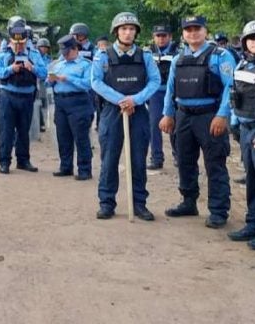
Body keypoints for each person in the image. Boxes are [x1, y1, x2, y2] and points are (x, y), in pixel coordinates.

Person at [159, 16, 235, 229]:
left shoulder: (221, 56)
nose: (193, 33)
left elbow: (231, 87)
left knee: (215, 163)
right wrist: (168, 114)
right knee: (184, 161)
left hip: (210, 115)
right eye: (188, 29)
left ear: (205, 31)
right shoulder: (178, 59)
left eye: (197, 29)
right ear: (183, 34)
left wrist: (222, 115)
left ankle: (219, 210)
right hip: (183, 115)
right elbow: (170, 89)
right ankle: (188, 201)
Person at [91, 12, 160, 220]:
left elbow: (154, 81)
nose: (128, 33)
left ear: (136, 32)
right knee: (109, 159)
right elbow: (96, 82)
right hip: (113, 111)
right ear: (116, 32)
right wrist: (121, 100)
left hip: (138, 111)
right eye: (123, 29)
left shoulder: (145, 56)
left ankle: (139, 203)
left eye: (131, 29)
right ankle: (106, 203)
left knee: (138, 160)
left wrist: (135, 100)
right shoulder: (103, 56)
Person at [0, 19, 46, 174]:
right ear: (10, 40)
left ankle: (23, 160)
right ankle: (4, 162)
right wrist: (10, 69)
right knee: (6, 130)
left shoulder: (33, 54)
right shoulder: (3, 53)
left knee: (24, 130)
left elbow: (44, 73)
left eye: (21, 43)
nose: (18, 45)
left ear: (26, 40)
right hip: (7, 96)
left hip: (27, 96)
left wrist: (32, 67)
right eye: (16, 43)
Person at [228, 20, 255, 250]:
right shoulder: (242, 65)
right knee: (252, 181)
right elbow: (235, 96)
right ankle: (253, 223)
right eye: (252, 38)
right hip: (245, 129)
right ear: (245, 42)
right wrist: (234, 123)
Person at [49, 35, 93, 180]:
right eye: (63, 52)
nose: (65, 55)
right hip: (60, 102)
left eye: (67, 52)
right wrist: (50, 80)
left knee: (81, 137)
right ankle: (65, 166)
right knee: (63, 136)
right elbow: (47, 83)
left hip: (79, 102)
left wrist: (68, 79)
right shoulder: (58, 64)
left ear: (75, 49)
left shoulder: (86, 65)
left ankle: (84, 169)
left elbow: (88, 84)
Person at [146, 25, 179, 170]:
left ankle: (178, 156)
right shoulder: (147, 53)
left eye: (164, 35)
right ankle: (156, 158)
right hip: (155, 93)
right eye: (158, 36)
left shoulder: (178, 52)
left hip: (174, 93)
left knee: (175, 124)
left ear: (170, 37)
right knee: (154, 125)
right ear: (153, 37)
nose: (161, 38)